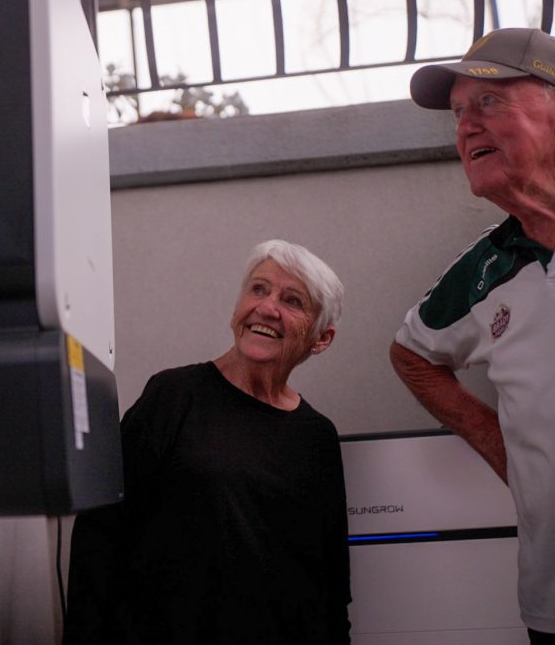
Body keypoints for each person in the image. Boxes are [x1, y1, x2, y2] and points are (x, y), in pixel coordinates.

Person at [392, 27, 555, 643]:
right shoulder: (484, 269)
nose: (466, 127)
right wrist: (501, 446)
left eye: (489, 102)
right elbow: (412, 356)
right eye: (457, 114)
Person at [64, 239, 350, 644]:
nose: (267, 308)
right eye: (258, 288)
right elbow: (99, 535)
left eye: (292, 300)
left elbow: (329, 588)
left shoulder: (317, 437)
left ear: (321, 338)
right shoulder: (173, 396)